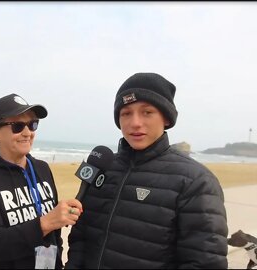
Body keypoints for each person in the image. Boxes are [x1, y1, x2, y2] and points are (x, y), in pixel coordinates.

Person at [66, 73, 228, 269]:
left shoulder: (196, 181)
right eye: (126, 113)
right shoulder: (103, 167)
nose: (135, 122)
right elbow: (80, 236)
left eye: (147, 112)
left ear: (166, 118)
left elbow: (205, 262)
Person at [0, 93, 83, 269]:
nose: (28, 132)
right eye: (18, 126)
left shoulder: (42, 168)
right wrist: (46, 222)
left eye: (32, 124)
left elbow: (55, 234)